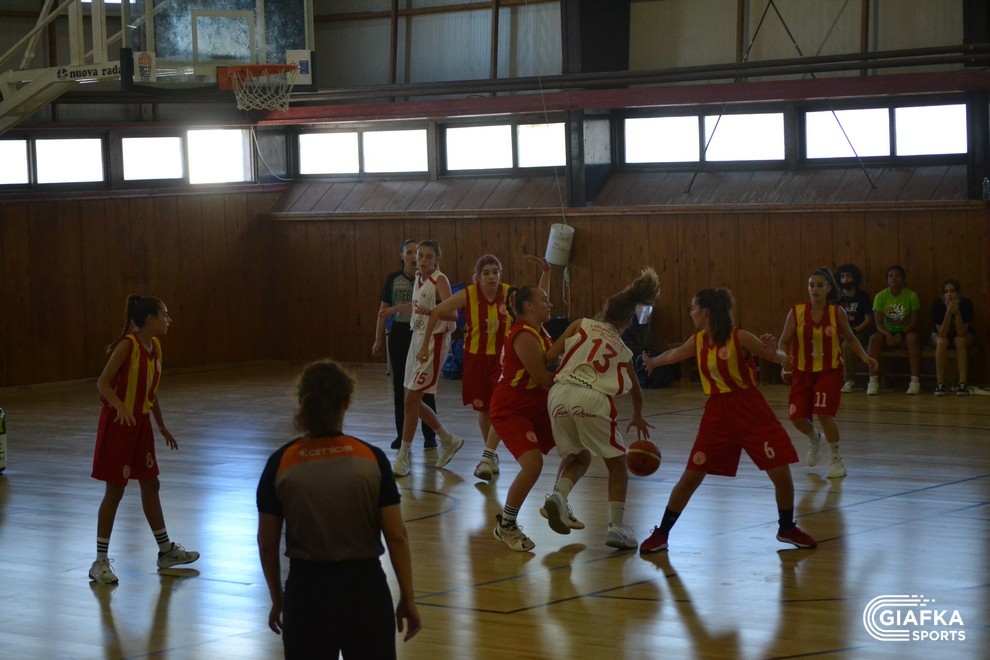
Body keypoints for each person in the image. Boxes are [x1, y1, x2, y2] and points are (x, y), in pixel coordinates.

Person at [256, 360, 421, 658]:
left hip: (307, 595)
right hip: (366, 592)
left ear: (302, 402)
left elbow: (267, 544)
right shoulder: (371, 458)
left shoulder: (280, 463)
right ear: (346, 402)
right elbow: (396, 536)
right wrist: (408, 597)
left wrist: (278, 599)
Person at [639, 288, 817, 554]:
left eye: (693, 308)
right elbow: (674, 354)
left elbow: (781, 359)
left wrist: (776, 353)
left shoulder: (740, 337)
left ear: (705, 313)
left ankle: (787, 527)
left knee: (781, 472)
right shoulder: (698, 340)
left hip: (750, 409)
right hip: (717, 414)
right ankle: (662, 534)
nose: (690, 313)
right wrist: (653, 361)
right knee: (691, 475)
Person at [543, 268, 660, 551]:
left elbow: (550, 355)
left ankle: (558, 496)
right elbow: (636, 389)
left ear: (604, 310)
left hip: (558, 394)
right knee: (617, 465)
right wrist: (638, 416)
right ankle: (616, 528)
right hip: (591, 397)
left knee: (578, 457)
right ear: (627, 321)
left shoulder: (580, 324)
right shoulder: (622, 348)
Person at [89, 295, 199, 585]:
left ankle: (166, 551)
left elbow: (150, 389)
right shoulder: (128, 345)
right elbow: (102, 382)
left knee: (151, 484)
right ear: (150, 319)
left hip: (141, 424)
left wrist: (161, 425)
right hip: (119, 424)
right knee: (115, 491)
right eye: (165, 314)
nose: (169, 320)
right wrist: (120, 406)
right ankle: (100, 562)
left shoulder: (155, 347)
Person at [419, 254, 550, 481]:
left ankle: (487, 456)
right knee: (485, 410)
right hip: (475, 359)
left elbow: (538, 301)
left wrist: (546, 273)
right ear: (478, 277)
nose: (491, 277)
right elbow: (438, 312)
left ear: (500, 275)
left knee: (500, 407)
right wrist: (424, 345)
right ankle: (491, 456)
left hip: (503, 360)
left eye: (495, 272)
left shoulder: (509, 294)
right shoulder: (469, 294)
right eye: (486, 273)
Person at [489, 286, 585, 551]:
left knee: (580, 451)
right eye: (544, 300)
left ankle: (558, 500)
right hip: (512, 407)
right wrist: (581, 382)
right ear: (529, 306)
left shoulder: (540, 331)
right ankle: (506, 524)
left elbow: (553, 362)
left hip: (537, 402)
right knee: (532, 464)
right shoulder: (523, 335)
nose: (550, 304)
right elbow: (543, 377)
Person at [777, 268, 878, 479]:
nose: (815, 289)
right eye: (811, 285)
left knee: (824, 414)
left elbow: (850, 338)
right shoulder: (796, 312)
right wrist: (784, 362)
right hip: (802, 371)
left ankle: (836, 460)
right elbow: (784, 341)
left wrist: (865, 357)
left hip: (828, 371)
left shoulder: (837, 313)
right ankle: (815, 439)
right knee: (796, 417)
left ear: (828, 288)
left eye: (820, 285)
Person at [379, 240, 464, 477]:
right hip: (416, 338)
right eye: (420, 256)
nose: (423, 260)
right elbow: (417, 306)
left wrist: (434, 313)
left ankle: (403, 457)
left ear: (437, 259)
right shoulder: (418, 277)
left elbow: (453, 314)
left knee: (410, 401)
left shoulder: (440, 280)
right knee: (411, 400)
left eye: (428, 256)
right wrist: (395, 309)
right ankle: (447, 439)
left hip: (433, 342)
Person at [373, 239, 438, 451]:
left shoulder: (429, 279)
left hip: (421, 333)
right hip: (400, 333)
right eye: (408, 252)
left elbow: (427, 307)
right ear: (402, 256)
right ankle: (401, 436)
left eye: (415, 252)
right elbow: (383, 311)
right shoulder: (393, 279)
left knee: (424, 386)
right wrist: (378, 339)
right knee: (400, 386)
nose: (412, 256)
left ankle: (431, 436)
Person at [867, 265, 922, 395]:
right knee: (874, 338)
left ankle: (915, 381)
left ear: (903, 279)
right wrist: (888, 335)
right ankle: (873, 381)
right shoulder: (880, 296)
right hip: (886, 332)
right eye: (890, 276)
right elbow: (878, 323)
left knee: (912, 338)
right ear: (887, 280)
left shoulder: (911, 296)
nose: (893, 278)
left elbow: (913, 322)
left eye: (897, 275)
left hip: (905, 331)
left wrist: (900, 334)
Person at [931, 278, 974, 396]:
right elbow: (942, 333)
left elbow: (961, 332)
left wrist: (958, 313)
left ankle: (962, 384)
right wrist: (948, 313)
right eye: (946, 291)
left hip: (961, 334)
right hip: (940, 334)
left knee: (960, 341)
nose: (949, 294)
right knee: (942, 342)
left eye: (952, 291)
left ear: (958, 293)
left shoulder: (966, 304)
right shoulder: (937, 305)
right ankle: (940, 384)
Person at [833, 264, 873, 393]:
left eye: (848, 276)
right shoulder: (837, 298)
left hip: (860, 331)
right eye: (842, 276)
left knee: (847, 344)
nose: (845, 279)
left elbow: (868, 320)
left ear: (854, 278)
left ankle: (849, 380)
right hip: (841, 330)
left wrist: (853, 331)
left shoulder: (863, 296)